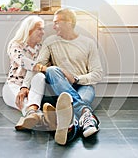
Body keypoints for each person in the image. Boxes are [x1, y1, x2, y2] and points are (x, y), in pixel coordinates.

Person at [22, 8, 103, 145]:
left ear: (69, 22)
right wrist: (24, 86)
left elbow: (97, 73)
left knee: (72, 106)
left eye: (56, 22)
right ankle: (86, 116)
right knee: (52, 70)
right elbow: (37, 66)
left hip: (84, 86)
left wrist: (76, 79)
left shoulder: (88, 43)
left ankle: (70, 126)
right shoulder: (51, 41)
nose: (53, 27)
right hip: (60, 86)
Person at [2, 15, 55, 131]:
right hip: (14, 86)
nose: (43, 32)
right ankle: (41, 116)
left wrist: (27, 85)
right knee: (25, 102)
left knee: (40, 76)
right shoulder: (16, 44)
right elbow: (22, 61)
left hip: (34, 87)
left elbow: (46, 67)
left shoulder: (41, 48)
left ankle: (34, 116)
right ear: (29, 30)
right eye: (39, 29)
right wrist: (41, 67)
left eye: (43, 29)